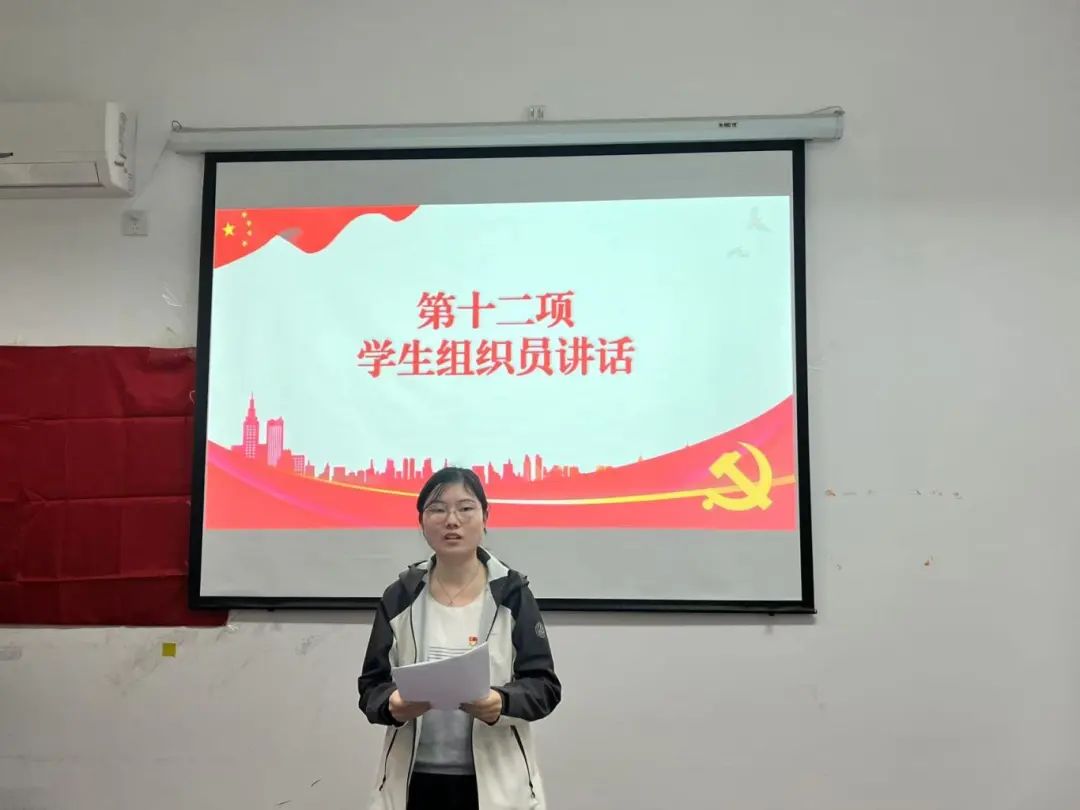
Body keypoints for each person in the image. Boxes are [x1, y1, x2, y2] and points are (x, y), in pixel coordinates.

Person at [358, 466, 561, 810]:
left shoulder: (512, 595)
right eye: (437, 509)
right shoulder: (400, 596)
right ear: (421, 522)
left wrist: (502, 702)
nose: (452, 520)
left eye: (465, 508)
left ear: (485, 518)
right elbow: (370, 687)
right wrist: (392, 705)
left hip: (496, 786)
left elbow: (544, 687)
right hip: (412, 783)